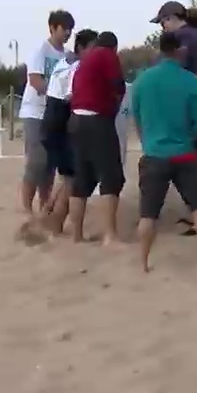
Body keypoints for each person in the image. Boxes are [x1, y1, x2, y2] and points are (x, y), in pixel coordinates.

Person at [131, 30, 197, 272]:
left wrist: (147, 141)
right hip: (185, 153)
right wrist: (188, 138)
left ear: (160, 50)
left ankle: (144, 262)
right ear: (181, 50)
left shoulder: (142, 81)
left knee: (148, 213)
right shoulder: (193, 81)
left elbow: (137, 118)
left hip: (154, 154)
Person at [152, 1, 197, 223]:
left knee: (192, 160)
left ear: (172, 18)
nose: (162, 28)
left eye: (163, 22)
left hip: (196, 104)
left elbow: (173, 70)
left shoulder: (183, 39)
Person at [67, 31, 127, 245]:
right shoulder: (106, 54)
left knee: (82, 178)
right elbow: (118, 85)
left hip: (75, 120)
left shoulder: (85, 61)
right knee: (111, 176)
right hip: (96, 120)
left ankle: (77, 235)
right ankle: (109, 235)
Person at [37, 28, 97, 234]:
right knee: (73, 179)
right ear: (81, 48)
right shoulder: (78, 66)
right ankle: (54, 225)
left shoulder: (64, 63)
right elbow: (73, 97)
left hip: (51, 125)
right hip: (61, 128)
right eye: (93, 48)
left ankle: (46, 216)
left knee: (67, 177)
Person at [18, 9, 75, 215]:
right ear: (53, 28)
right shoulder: (40, 51)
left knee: (51, 163)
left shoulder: (67, 56)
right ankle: (26, 206)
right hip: (35, 112)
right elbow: (35, 80)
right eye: (64, 29)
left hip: (56, 114)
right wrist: (54, 96)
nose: (67, 33)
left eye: (70, 29)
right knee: (36, 161)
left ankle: (44, 204)